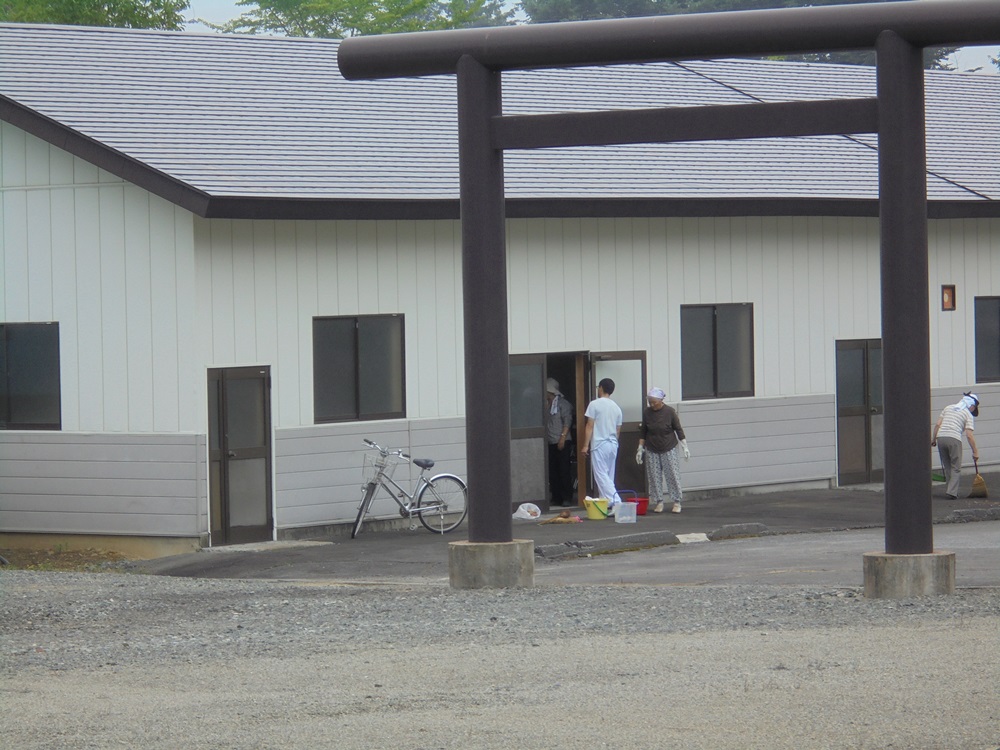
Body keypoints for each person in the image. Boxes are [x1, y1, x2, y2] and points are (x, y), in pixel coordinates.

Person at [636, 387, 690, 513]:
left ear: (661, 400)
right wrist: (640, 449)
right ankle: (659, 501)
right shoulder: (647, 412)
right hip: (652, 448)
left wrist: (685, 446)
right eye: (650, 402)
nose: (652, 404)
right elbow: (643, 431)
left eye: (654, 402)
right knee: (654, 476)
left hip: (668, 447)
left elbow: (678, 429)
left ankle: (677, 502)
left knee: (672, 474)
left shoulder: (670, 412)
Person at [581, 378, 624, 515]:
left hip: (600, 444)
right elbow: (618, 430)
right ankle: (605, 503)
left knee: (600, 475)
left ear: (600, 388)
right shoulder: (616, 408)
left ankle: (617, 501)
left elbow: (589, 426)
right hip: (613, 444)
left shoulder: (594, 405)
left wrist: (585, 446)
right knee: (608, 475)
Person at [931, 392, 980, 500]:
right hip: (954, 439)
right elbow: (969, 435)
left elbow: (938, 424)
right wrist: (975, 451)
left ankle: (950, 490)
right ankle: (952, 492)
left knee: (948, 466)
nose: (973, 410)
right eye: (974, 408)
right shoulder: (967, 414)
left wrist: (934, 439)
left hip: (941, 438)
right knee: (956, 467)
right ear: (972, 405)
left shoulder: (948, 408)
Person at [545, 377, 575, 507]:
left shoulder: (563, 404)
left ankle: (567, 497)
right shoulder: (547, 404)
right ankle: (556, 497)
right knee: (552, 471)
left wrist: (562, 437)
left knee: (564, 470)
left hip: (562, 441)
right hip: (550, 441)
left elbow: (567, 421)